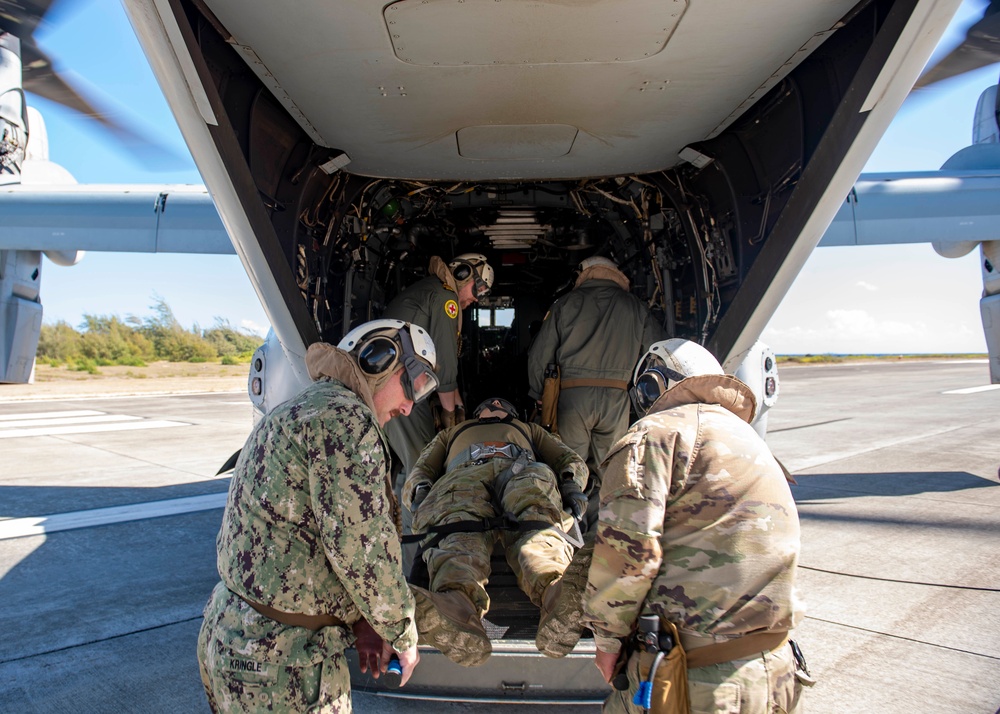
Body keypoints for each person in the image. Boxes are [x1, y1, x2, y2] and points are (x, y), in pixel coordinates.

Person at [544, 338, 806, 713]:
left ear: (652, 384)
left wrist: (607, 643)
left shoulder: (657, 435)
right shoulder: (750, 439)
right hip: (774, 669)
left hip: (697, 676)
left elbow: (628, 554)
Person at [197, 319, 443, 713]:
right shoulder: (347, 422)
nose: (410, 406)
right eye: (414, 383)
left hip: (235, 636)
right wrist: (400, 632)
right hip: (280, 665)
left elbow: (310, 539)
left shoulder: (307, 406)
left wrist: (359, 621)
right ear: (380, 361)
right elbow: (362, 551)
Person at [401, 397, 589, 663]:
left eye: (502, 402)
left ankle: (556, 592)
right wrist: (421, 491)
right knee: (457, 524)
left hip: (524, 470)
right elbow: (422, 468)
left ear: (512, 412)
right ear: (477, 413)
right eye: (490, 402)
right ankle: (457, 604)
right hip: (463, 475)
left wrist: (571, 483)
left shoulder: (530, 429)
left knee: (536, 520)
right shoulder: (452, 432)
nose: (497, 402)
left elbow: (568, 458)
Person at [526, 255, 665, 512]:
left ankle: (568, 529)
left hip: (572, 398)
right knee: (611, 471)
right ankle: (604, 530)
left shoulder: (565, 304)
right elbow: (657, 353)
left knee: (569, 470)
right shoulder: (636, 307)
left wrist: (538, 393)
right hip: (617, 399)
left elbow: (540, 353)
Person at [383, 253, 495, 479]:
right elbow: (444, 360)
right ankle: (418, 514)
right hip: (399, 386)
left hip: (401, 382)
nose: (476, 299)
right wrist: (450, 417)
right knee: (423, 470)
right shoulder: (446, 298)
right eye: (477, 289)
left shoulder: (434, 291)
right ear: (462, 275)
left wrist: (458, 405)